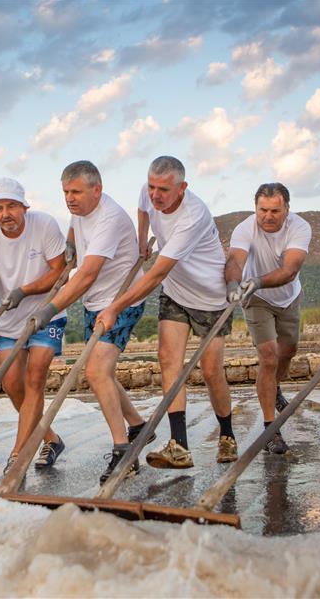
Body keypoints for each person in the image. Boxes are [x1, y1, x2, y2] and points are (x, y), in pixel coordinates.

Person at [98, 156, 237, 466]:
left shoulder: (193, 215)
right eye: (151, 186)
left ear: (182, 188)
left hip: (210, 298)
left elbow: (157, 273)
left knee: (212, 372)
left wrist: (114, 307)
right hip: (176, 292)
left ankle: (227, 434)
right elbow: (143, 209)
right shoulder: (149, 195)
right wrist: (141, 239)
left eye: (163, 189)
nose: (155, 195)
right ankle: (179, 445)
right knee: (167, 360)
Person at [32, 161, 155, 484]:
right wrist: (71, 246)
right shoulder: (80, 210)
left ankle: (122, 450)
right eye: (65, 193)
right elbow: (74, 228)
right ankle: (139, 426)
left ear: (96, 189)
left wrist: (48, 310)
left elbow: (86, 275)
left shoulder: (110, 218)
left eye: (76, 192)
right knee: (103, 373)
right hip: (93, 304)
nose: (69, 199)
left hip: (121, 301)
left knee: (96, 372)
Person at [0, 177, 68, 473]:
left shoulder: (45, 225)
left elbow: (59, 272)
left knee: (35, 377)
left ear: (24, 207)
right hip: (9, 320)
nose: (5, 213)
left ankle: (17, 455)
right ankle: (50, 438)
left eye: (11, 206)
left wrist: (24, 290)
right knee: (11, 384)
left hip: (47, 312)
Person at [224, 182, 311, 454]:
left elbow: (290, 269)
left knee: (288, 352)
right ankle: (270, 429)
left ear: (287, 208)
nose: (268, 216)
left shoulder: (300, 227)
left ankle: (275, 388)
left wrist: (259, 281)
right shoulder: (244, 228)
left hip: (287, 296)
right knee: (269, 356)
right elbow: (235, 261)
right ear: (256, 207)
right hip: (256, 297)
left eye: (275, 210)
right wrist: (232, 285)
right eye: (263, 210)